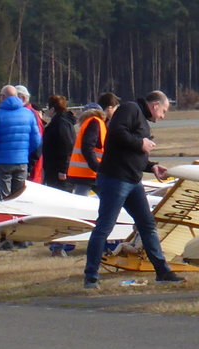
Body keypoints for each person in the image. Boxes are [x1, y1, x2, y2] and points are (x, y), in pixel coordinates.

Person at [82, 91, 185, 290]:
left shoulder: (141, 119)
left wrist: (152, 166)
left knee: (147, 225)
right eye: (163, 111)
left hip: (133, 181)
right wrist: (141, 143)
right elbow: (116, 132)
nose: (163, 116)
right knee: (104, 227)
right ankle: (91, 277)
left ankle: (163, 272)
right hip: (115, 179)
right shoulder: (130, 108)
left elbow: (131, 153)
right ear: (155, 105)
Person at [0, 86, 41, 199]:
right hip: (22, 161)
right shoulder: (29, 114)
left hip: (3, 161)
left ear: (3, 97)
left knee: (4, 196)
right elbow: (36, 140)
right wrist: (25, 152)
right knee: (18, 196)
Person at [66, 103, 106, 194]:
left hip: (83, 172)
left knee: (81, 200)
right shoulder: (95, 122)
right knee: (109, 201)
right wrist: (97, 167)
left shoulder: (87, 123)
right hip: (89, 172)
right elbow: (87, 147)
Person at [42, 96, 75, 193]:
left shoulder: (61, 123)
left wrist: (63, 169)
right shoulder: (61, 121)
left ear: (53, 109)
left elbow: (66, 147)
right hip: (55, 168)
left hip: (57, 170)